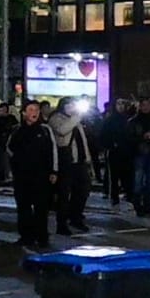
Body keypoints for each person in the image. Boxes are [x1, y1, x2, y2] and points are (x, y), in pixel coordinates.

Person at [7, 100, 60, 248]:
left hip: (41, 176)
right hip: (22, 177)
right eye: (30, 109)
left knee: (41, 208)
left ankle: (42, 237)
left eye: (36, 109)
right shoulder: (17, 130)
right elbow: (9, 149)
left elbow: (53, 151)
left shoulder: (45, 130)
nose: (34, 113)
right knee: (23, 208)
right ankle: (25, 236)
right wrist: (17, 166)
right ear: (24, 113)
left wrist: (53, 171)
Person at [48, 98, 94, 235]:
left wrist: (87, 158)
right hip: (66, 161)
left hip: (79, 161)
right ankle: (61, 224)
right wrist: (75, 118)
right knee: (64, 193)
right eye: (70, 105)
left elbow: (82, 140)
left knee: (82, 190)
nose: (73, 108)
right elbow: (62, 131)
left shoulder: (76, 120)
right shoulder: (56, 118)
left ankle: (76, 217)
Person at [129, 97, 150, 215]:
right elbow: (129, 138)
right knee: (138, 181)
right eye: (143, 105)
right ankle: (138, 205)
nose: (146, 107)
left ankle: (148, 205)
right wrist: (142, 138)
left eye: (148, 105)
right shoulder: (134, 121)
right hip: (139, 154)